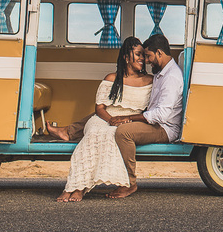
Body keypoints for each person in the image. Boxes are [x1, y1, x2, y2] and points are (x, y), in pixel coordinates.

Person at [44, 37, 152, 202]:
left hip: (130, 120)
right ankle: (75, 186)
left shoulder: (149, 81)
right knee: (93, 133)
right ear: (125, 56)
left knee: (110, 135)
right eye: (138, 54)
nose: (142, 59)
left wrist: (124, 120)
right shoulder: (111, 78)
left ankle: (81, 187)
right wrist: (111, 119)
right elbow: (100, 108)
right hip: (106, 117)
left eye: (143, 56)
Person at [102, 32, 185, 199]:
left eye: (148, 56)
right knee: (113, 116)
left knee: (124, 132)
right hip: (155, 123)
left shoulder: (171, 78)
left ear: (160, 53)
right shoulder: (161, 73)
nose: (146, 61)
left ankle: (129, 184)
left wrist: (129, 118)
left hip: (164, 128)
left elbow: (162, 114)